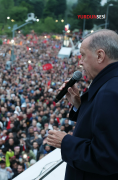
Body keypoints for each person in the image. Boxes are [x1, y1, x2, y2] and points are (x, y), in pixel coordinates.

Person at [47, 29, 118, 180]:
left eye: (83, 55)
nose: (80, 62)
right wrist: (79, 105)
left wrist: (65, 141)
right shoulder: (111, 83)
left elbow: (107, 157)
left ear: (100, 56)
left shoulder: (109, 93)